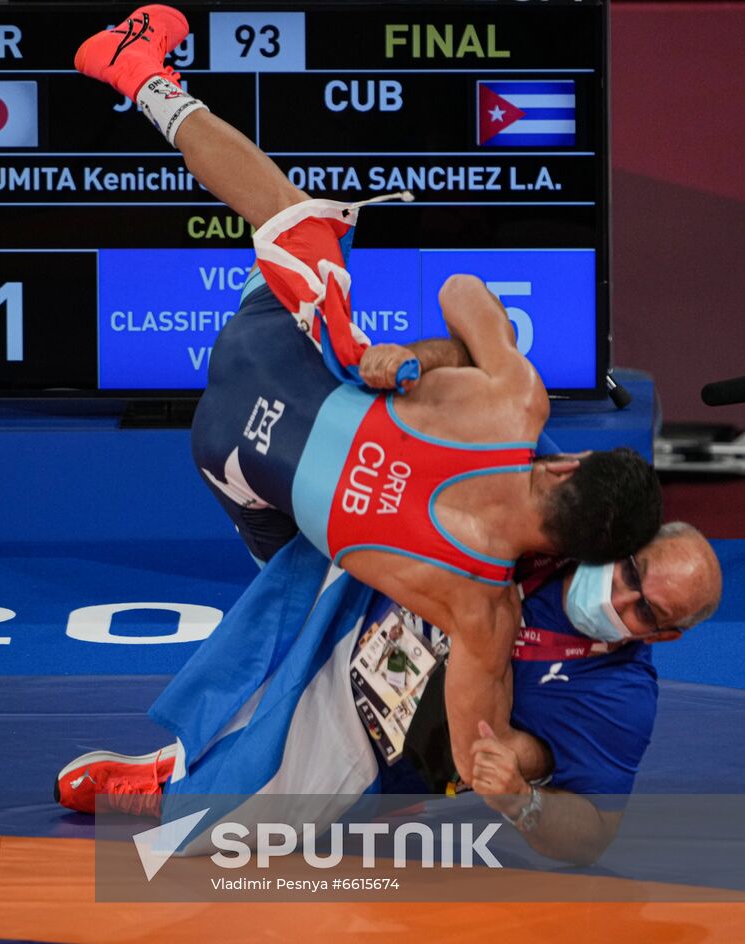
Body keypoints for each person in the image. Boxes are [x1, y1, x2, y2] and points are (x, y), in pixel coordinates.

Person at [73, 6, 662, 781]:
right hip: (234, 469)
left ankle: (142, 76)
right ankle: (180, 775)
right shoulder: (483, 611)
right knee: (322, 606)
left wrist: (414, 358)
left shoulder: (516, 409)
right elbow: (467, 755)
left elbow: (462, 289)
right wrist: (518, 770)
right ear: (564, 557)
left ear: (564, 464)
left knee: (292, 217)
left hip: (264, 371)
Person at [56, 522, 722, 864]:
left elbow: (592, 836)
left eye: (643, 612)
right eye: (632, 572)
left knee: (207, 835)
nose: (620, 597)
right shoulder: (561, 531)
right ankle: (180, 755)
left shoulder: (616, 699)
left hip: (377, 739)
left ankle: (173, 789)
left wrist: (522, 805)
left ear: (661, 638)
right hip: (359, 609)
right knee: (283, 608)